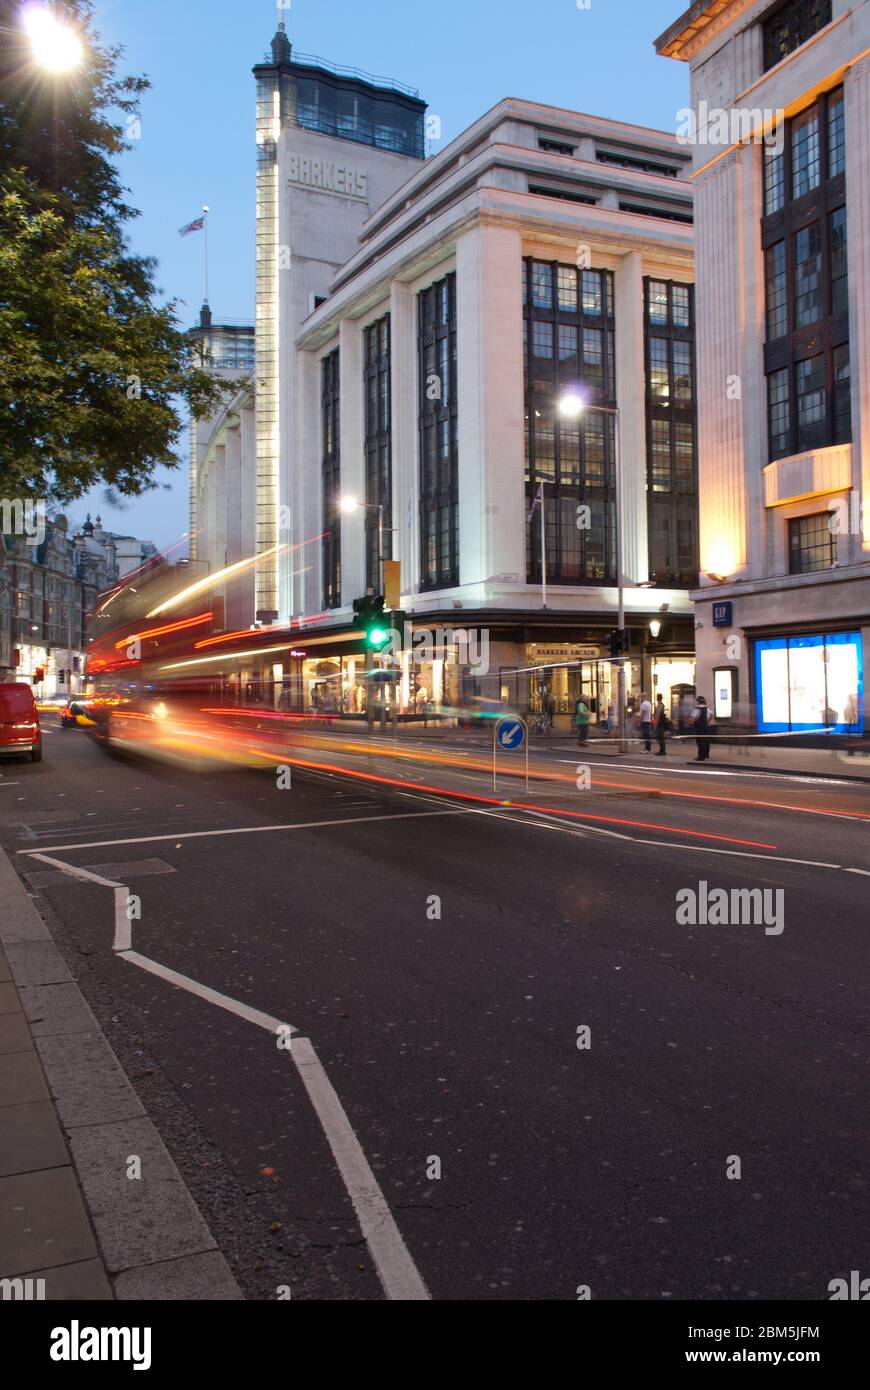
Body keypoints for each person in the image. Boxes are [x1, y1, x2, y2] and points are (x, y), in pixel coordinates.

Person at [692, 695, 712, 762]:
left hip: (699, 728)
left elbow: (695, 718)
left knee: (700, 741)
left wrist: (691, 721)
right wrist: (707, 722)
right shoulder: (706, 708)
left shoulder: (697, 709)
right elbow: (711, 715)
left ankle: (701, 756)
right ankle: (706, 755)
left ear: (698, 702)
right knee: (706, 741)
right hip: (706, 727)